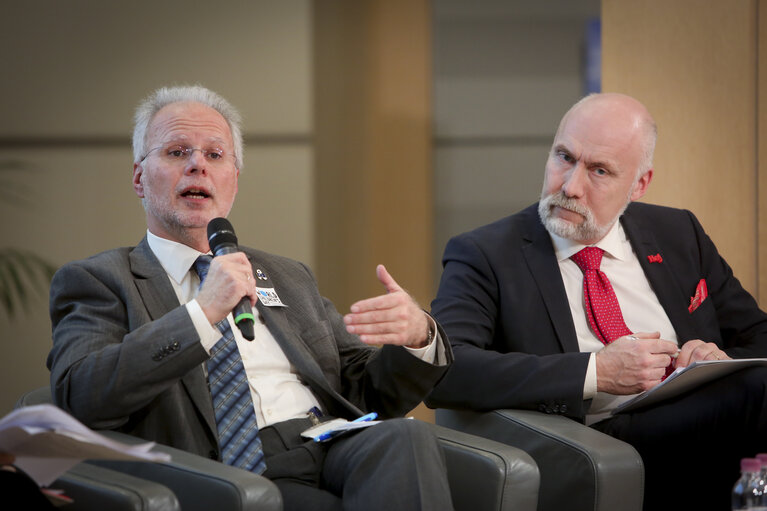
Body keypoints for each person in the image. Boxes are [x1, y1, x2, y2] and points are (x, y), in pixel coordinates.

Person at [47, 85, 454, 511]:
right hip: (225, 467)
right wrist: (202, 313)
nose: (197, 166)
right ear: (139, 178)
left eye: (215, 155)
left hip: (328, 442)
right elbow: (81, 396)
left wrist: (417, 337)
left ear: (234, 181)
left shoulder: (287, 275)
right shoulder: (99, 280)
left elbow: (365, 393)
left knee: (407, 435)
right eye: (176, 152)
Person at [426, 92, 767, 510]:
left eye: (599, 170)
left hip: (700, 415)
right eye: (564, 157)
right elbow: (446, 370)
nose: (570, 186)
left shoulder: (678, 232)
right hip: (595, 437)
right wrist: (596, 372)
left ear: (639, 184)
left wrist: (716, 359)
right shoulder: (486, 253)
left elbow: (759, 336)